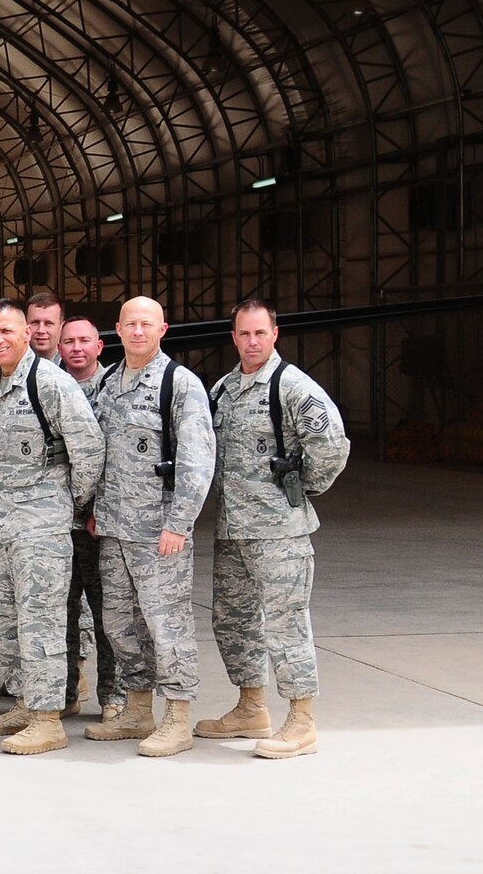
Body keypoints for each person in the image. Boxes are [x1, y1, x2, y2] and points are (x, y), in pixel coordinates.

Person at [196, 299, 351, 758]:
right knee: (233, 622)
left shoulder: (292, 386)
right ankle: (250, 708)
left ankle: (301, 720)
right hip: (233, 530)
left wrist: (304, 488)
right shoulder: (223, 389)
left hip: (279, 532)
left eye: (260, 333)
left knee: (286, 626)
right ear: (234, 337)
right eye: (243, 334)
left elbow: (331, 445)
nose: (252, 341)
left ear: (275, 334)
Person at [0, 300, 105, 754]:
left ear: (26, 334)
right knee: (6, 620)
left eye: (6, 331)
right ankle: (23, 701)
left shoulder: (51, 384)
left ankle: (47, 719)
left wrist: (65, 504)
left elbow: (90, 450)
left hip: (40, 528)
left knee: (41, 621)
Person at [82, 296, 216, 757]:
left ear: (163, 330)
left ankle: (177, 716)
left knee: (167, 625)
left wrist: (179, 523)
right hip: (115, 528)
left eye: (147, 324)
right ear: (117, 329)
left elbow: (198, 460)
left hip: (160, 532)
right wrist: (96, 507)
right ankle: (137, 709)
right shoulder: (106, 383)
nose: (138, 332)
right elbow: (97, 452)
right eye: (130, 324)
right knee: (120, 624)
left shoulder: (179, 385)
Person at [59, 315, 120, 720]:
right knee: (60, 614)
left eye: (85, 340)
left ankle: (113, 698)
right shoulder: (48, 385)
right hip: (60, 522)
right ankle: (64, 694)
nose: (76, 348)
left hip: (100, 524)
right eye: (69, 342)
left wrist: (97, 506)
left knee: (107, 615)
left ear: (99, 346)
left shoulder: (116, 389)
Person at [25, 292, 66, 365]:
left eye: (48, 323)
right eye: (35, 323)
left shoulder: (73, 365)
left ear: (61, 327)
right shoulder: (12, 364)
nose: (41, 330)